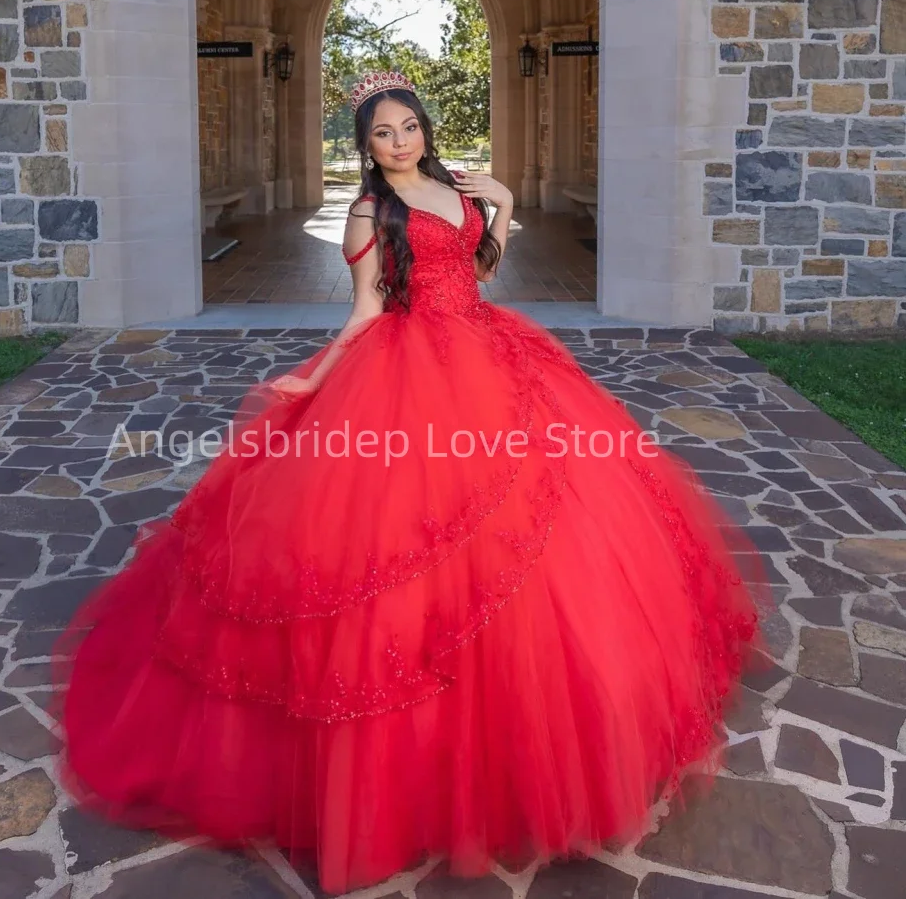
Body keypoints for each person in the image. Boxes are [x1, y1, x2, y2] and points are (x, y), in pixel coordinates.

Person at [53, 69, 773, 895]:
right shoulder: (370, 211)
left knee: (558, 516)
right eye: (381, 134)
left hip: (494, 351)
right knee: (403, 542)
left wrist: (499, 199)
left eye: (407, 127)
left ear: (425, 128)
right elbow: (365, 311)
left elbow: (481, 268)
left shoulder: (449, 187)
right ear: (365, 147)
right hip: (412, 370)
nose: (398, 143)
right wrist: (315, 379)